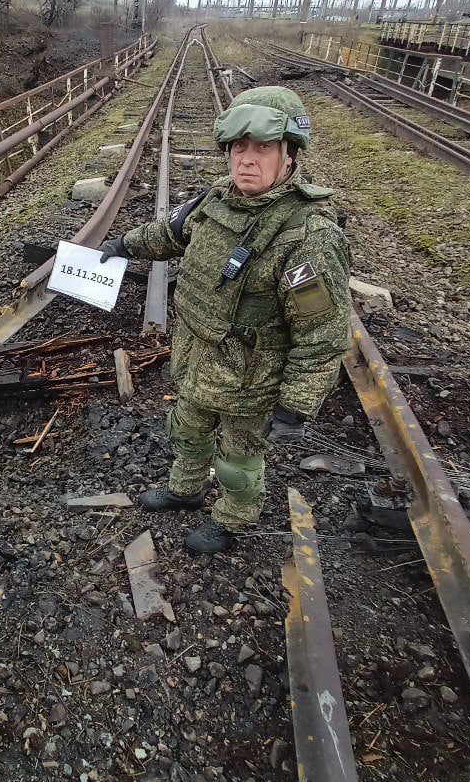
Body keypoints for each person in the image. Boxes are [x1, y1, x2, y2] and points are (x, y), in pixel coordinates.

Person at [99, 86, 352, 554]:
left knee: (238, 459)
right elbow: (169, 233)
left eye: (262, 149)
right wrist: (123, 245)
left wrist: (296, 405)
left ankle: (233, 518)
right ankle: (187, 489)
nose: (247, 161)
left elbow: (322, 333)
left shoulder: (306, 233)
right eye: (239, 148)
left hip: (250, 378)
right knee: (186, 429)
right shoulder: (216, 199)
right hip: (196, 357)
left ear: (289, 155)